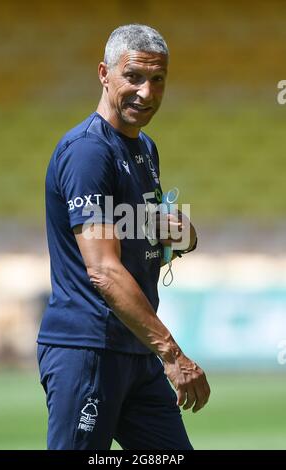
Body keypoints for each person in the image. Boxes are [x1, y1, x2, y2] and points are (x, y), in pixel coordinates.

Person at [37, 23, 210, 451]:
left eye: (157, 80)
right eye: (133, 77)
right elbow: (104, 271)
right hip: (88, 349)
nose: (146, 93)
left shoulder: (144, 148)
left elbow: (138, 242)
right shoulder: (87, 152)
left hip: (134, 348)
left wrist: (181, 237)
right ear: (104, 74)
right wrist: (173, 355)